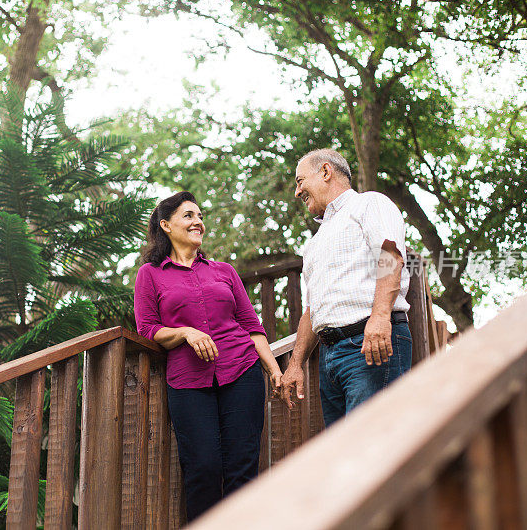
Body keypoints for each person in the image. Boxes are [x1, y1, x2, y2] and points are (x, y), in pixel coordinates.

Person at [134, 191, 282, 521]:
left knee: (243, 469)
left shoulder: (224, 271)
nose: (198, 222)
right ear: (166, 225)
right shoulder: (151, 274)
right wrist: (186, 332)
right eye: (188, 216)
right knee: (202, 468)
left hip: (242, 372)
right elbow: (147, 328)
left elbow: (251, 326)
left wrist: (274, 370)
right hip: (188, 382)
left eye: (200, 216)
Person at [280, 149, 413, 426]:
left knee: (372, 446)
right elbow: (311, 310)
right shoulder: (315, 243)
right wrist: (295, 364)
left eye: (300, 181)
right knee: (345, 454)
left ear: (326, 172)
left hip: (370, 343)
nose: (297, 192)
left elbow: (390, 257)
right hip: (331, 357)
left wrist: (379, 317)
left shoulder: (369, 204)